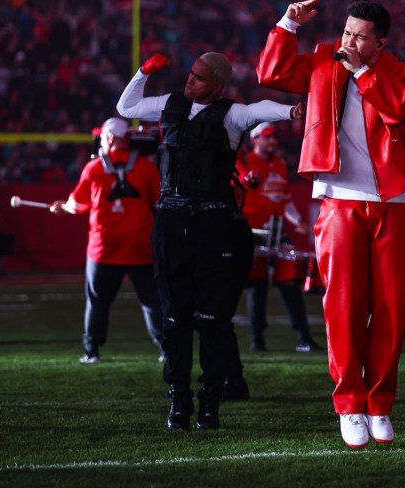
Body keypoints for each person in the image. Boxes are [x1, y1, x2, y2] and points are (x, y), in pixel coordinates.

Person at [257, 0, 405, 448]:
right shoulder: (321, 60)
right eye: (347, 31)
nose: (348, 40)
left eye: (359, 36)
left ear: (380, 42)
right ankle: (350, 405)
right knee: (344, 307)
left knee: (394, 307)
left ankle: (380, 404)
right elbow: (270, 74)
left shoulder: (402, 72)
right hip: (340, 200)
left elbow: (403, 107)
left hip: (393, 201)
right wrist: (287, 24)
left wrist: (361, 73)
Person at [116, 51, 305, 430]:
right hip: (171, 219)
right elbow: (126, 106)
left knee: (213, 318)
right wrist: (142, 72)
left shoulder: (231, 114)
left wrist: (291, 112)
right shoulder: (171, 103)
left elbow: (260, 108)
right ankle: (179, 399)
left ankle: (211, 401)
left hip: (213, 221)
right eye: (191, 73)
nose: (190, 81)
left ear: (217, 87)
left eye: (199, 78)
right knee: (174, 316)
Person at [49, 117, 163, 364]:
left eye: (102, 136)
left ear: (110, 138)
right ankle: (166, 349)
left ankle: (92, 351)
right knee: (152, 301)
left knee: (98, 301)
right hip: (139, 245)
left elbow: (77, 205)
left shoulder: (94, 168)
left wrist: (64, 207)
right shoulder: (146, 167)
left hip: (104, 247)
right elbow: (159, 205)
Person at [235, 121, 322, 353]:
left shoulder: (280, 165)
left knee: (291, 286)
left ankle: (303, 337)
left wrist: (299, 222)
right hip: (254, 235)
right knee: (257, 288)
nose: (273, 141)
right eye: (268, 137)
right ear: (256, 139)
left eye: (275, 137)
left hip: (279, 233)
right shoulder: (246, 163)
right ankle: (257, 340)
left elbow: (284, 201)